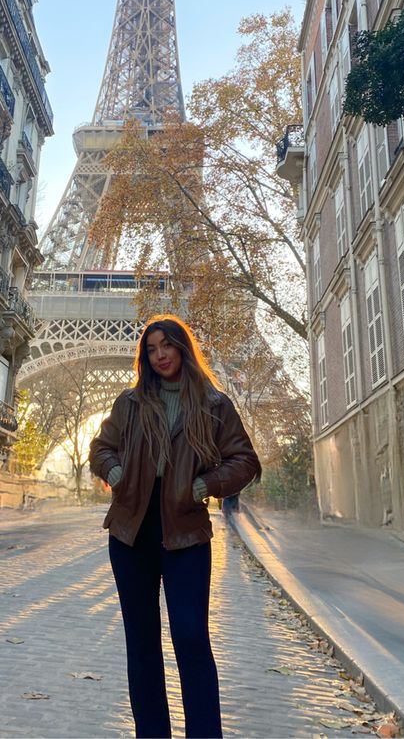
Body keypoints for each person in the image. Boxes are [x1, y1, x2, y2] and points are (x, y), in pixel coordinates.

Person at [89, 314, 261, 739]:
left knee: (191, 638)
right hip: (131, 534)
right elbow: (101, 447)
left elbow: (246, 461)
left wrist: (202, 484)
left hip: (185, 533)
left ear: (183, 348)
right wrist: (116, 475)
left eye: (167, 345)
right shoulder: (130, 402)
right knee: (142, 646)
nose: (160, 355)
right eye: (151, 348)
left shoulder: (214, 403)